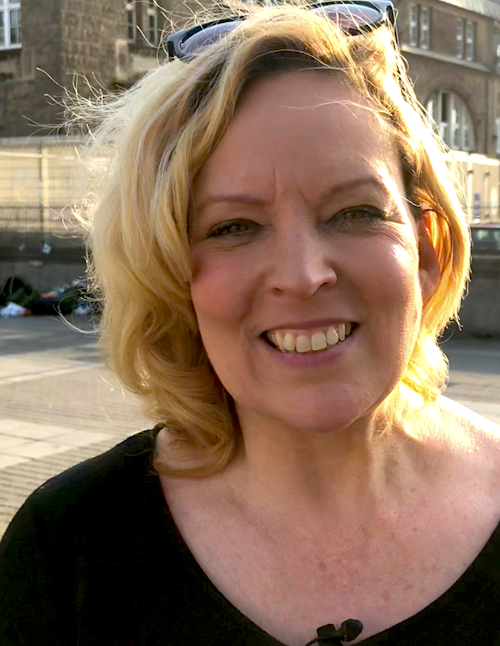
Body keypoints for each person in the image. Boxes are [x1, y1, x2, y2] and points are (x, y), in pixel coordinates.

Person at [1, 2, 499, 645]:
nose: (302, 274)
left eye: (354, 213)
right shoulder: (64, 550)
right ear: (168, 274)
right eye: (234, 226)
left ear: (427, 249)